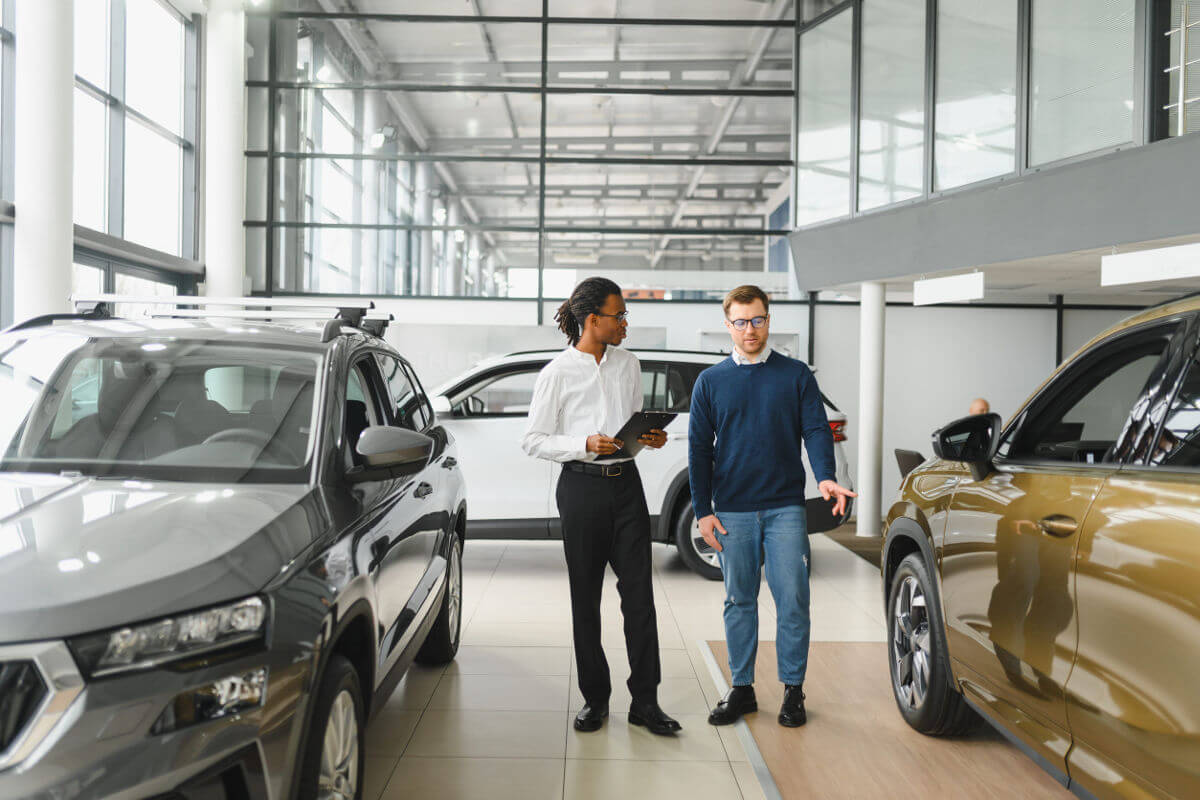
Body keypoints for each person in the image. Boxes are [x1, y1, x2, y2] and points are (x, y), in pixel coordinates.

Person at [689, 285, 856, 728]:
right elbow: (698, 451)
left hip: (785, 508)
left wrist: (825, 477)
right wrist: (702, 510)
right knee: (738, 600)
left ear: (769, 320)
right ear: (728, 325)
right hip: (732, 511)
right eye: (741, 321)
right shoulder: (710, 382)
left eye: (757, 319)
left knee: (793, 601)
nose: (750, 329)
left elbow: (816, 430)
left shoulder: (796, 375)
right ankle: (741, 689)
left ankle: (793, 691)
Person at [521, 277, 682, 736]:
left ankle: (645, 701)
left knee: (640, 599)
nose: (626, 323)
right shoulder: (556, 373)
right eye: (620, 315)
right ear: (593, 320)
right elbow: (533, 440)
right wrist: (582, 443)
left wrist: (648, 438)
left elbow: (629, 427)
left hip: (626, 488)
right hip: (582, 490)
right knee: (585, 598)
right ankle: (595, 699)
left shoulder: (628, 365)